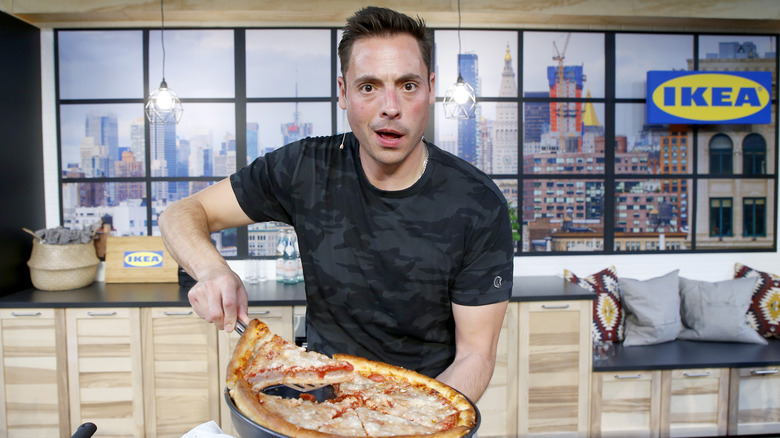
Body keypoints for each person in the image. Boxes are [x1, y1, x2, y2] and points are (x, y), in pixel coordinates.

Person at [159, 6, 513, 402]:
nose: (390, 106)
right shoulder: (304, 168)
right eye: (369, 87)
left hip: (426, 412)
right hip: (321, 408)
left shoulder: (479, 203)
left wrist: (410, 424)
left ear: (430, 88)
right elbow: (181, 213)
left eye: (408, 85)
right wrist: (210, 270)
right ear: (343, 93)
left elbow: (475, 356)